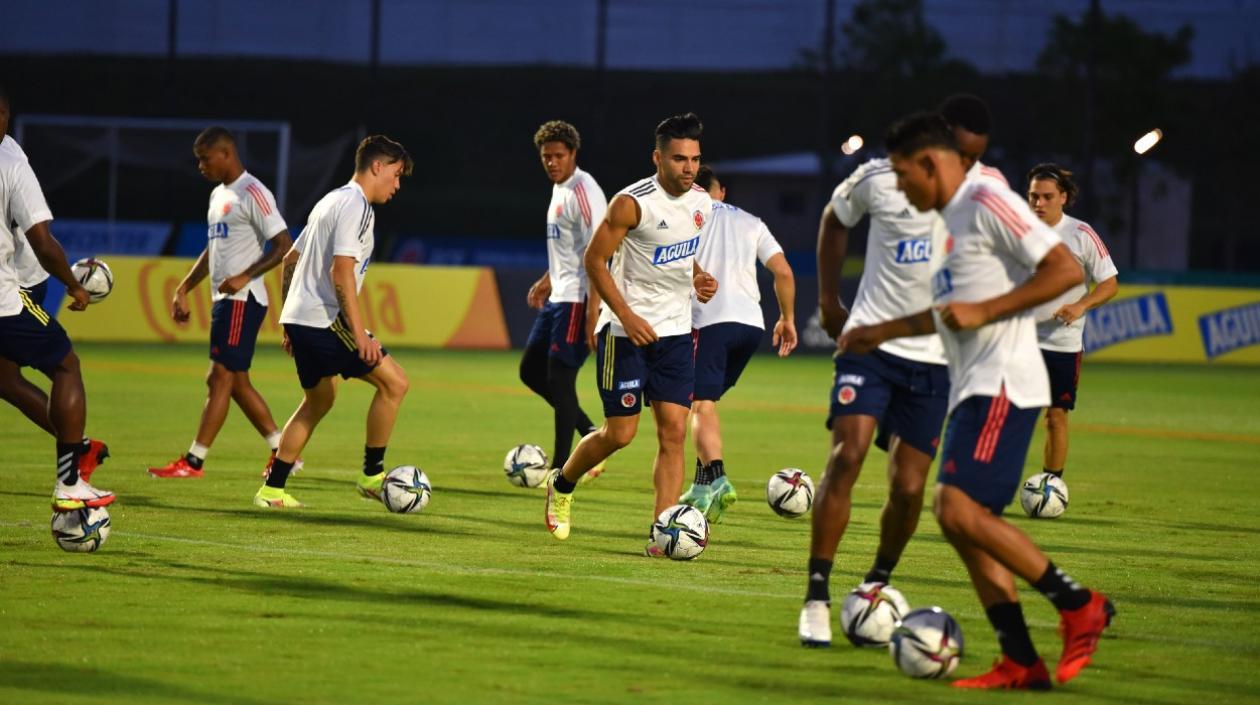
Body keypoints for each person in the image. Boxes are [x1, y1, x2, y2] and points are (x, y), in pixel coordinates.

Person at [840, 112, 1114, 689]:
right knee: (961, 522)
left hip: (1004, 382)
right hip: (971, 385)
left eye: (903, 174)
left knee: (957, 510)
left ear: (930, 162)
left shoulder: (985, 199)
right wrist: (881, 331)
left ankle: (1078, 604)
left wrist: (987, 312)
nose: (900, 188)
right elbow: (949, 312)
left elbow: (1064, 270)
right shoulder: (942, 224)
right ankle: (1020, 658)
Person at [543, 113, 718, 554]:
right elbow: (594, 260)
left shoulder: (702, 203)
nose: (689, 168)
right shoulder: (630, 203)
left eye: (695, 159)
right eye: (679, 159)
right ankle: (562, 483)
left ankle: (663, 533)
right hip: (624, 334)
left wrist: (697, 277)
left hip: (676, 333)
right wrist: (626, 314)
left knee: (674, 434)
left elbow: (682, 253)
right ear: (658, 158)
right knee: (619, 435)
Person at [798, 146, 950, 646]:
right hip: (867, 348)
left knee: (909, 489)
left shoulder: (981, 190)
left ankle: (875, 582)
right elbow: (834, 218)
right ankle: (816, 597)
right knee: (847, 457)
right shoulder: (879, 177)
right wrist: (826, 299)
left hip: (933, 359)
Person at [252, 135, 413, 508]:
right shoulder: (356, 206)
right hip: (324, 319)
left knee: (318, 401)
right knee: (395, 383)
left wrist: (287, 320)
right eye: (397, 173)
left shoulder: (330, 200)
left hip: (301, 318)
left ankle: (272, 489)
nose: (397, 184)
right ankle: (372, 475)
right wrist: (360, 336)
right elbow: (341, 272)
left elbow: (291, 258)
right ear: (377, 166)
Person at [148, 126, 295, 479]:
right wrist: (184, 287)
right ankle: (283, 451)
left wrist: (245, 275)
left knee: (219, 377)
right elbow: (213, 249)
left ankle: (194, 461)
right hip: (226, 301)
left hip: (242, 300)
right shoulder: (218, 196)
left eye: (204, 158)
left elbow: (283, 245)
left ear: (226, 154)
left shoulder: (253, 191)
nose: (200, 166)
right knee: (237, 382)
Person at [0, 87, 115, 511]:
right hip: (6, 296)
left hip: (18, 281)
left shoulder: (10, 154)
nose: (2, 121)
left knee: (5, 379)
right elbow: (43, 242)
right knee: (66, 364)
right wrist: (74, 283)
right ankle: (70, 481)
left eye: (4, 113)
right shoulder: (11, 162)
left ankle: (77, 445)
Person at [679, 165, 796, 524]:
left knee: (698, 406)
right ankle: (699, 487)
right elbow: (784, 272)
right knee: (705, 404)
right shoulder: (752, 221)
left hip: (710, 322)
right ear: (722, 192)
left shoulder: (688, 216)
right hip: (751, 326)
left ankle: (716, 478)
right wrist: (787, 318)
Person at [520, 120, 606, 475]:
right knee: (530, 371)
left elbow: (599, 256)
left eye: (558, 155)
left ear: (573, 154)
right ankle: (589, 433)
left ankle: (562, 470)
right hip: (559, 295)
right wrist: (546, 279)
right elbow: (568, 250)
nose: (552, 162)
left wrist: (593, 314)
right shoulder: (559, 189)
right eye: (546, 157)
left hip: (578, 300)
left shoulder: (585, 192)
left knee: (561, 380)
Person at [1027, 163, 1118, 479]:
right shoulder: (1015, 230)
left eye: (1047, 197)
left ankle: (1050, 486)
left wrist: (1082, 304)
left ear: (1063, 197)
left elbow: (1109, 282)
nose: (1038, 203)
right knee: (1002, 415)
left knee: (1055, 417)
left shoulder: (1081, 234)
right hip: (1018, 341)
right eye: (1033, 196)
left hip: (1060, 344)